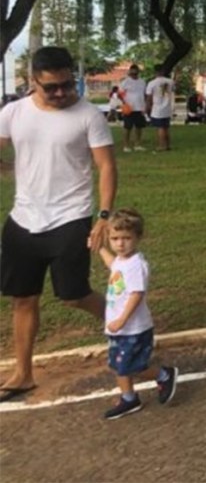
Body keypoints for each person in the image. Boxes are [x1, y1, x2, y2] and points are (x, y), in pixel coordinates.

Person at [0, 46, 117, 403]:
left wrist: (103, 217)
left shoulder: (88, 116)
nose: (62, 93)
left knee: (74, 295)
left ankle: (130, 324)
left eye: (67, 84)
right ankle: (23, 373)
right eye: (51, 87)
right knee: (23, 298)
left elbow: (107, 167)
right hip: (23, 220)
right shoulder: (13, 113)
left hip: (70, 217)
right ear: (31, 81)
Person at [97, 209, 179, 419]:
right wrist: (98, 248)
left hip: (133, 328)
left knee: (131, 366)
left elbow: (136, 294)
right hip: (118, 327)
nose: (120, 244)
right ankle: (129, 398)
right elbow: (112, 266)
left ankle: (163, 374)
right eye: (115, 238)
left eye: (126, 238)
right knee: (118, 365)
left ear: (138, 238)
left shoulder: (135, 265)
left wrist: (122, 320)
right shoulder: (121, 261)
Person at [145, 65, 175, 151]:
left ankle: (161, 145)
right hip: (167, 107)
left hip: (157, 108)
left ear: (155, 72)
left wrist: (147, 107)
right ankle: (168, 145)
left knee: (160, 128)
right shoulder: (170, 81)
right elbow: (172, 90)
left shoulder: (152, 83)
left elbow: (149, 97)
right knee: (166, 127)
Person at [119, 64, 147, 152]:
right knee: (127, 127)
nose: (134, 74)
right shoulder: (125, 82)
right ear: (130, 72)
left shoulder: (142, 82)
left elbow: (145, 94)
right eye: (132, 73)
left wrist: (144, 106)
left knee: (139, 127)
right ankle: (126, 146)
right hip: (129, 108)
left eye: (136, 72)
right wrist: (124, 102)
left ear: (138, 72)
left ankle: (137, 144)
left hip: (140, 107)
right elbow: (120, 94)